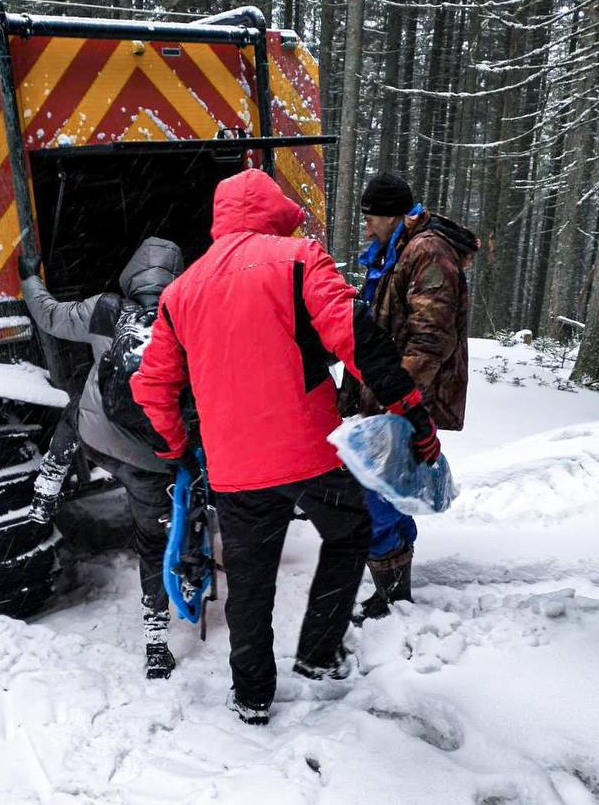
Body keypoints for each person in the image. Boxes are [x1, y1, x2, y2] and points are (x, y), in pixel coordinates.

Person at [130, 169, 441, 726]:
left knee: (248, 581)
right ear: (273, 212)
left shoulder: (180, 291)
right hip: (310, 453)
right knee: (349, 534)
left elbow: (152, 385)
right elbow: (355, 333)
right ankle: (320, 654)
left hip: (233, 467)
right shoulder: (298, 258)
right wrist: (410, 410)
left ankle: (251, 696)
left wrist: (175, 449)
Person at [19, 237, 184, 680]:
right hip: (154, 456)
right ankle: (155, 645)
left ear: (131, 274)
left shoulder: (106, 308)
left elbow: (50, 316)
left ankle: (47, 485)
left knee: (78, 404)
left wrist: (29, 277)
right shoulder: (188, 314)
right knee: (154, 545)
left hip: (98, 439)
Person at [344, 171, 477, 620]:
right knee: (388, 486)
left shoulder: (428, 252)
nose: (365, 228)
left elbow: (430, 338)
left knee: (372, 490)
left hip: (406, 392)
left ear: (393, 214)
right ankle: (395, 587)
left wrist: (396, 396)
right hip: (393, 389)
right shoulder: (399, 248)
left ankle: (392, 597)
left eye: (370, 218)